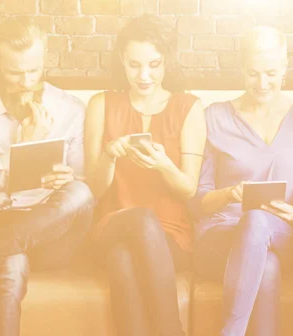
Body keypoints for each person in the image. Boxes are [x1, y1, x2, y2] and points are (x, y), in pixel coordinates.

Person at [0, 17, 93, 336]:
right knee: (11, 262)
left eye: (33, 70)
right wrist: (20, 151)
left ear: (44, 59)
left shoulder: (71, 109)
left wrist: (66, 179)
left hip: (48, 231)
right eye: (14, 72)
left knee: (81, 194)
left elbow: (80, 183)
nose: (25, 81)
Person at [84, 15, 206, 336]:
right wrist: (110, 154)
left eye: (154, 64)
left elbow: (189, 189)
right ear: (122, 60)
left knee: (124, 257)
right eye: (134, 65)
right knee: (138, 221)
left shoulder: (189, 108)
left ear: (166, 62)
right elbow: (93, 192)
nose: (144, 75)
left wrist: (164, 165)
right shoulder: (101, 104)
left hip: (170, 238)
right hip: (112, 224)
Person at [188, 26, 293, 336]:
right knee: (265, 267)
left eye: (270, 72)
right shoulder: (214, 116)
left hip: (285, 236)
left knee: (258, 221)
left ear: (285, 66)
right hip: (220, 237)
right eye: (253, 73)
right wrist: (230, 194)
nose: (262, 83)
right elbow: (197, 200)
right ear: (241, 69)